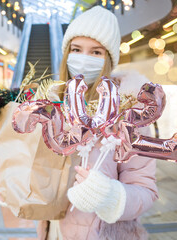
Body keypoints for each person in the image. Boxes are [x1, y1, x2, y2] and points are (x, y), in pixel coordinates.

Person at [37, 6, 158, 240]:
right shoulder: (54, 105)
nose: (83, 59)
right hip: (53, 230)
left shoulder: (130, 113)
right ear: (66, 53)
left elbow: (146, 191)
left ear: (108, 59)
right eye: (76, 49)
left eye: (95, 52)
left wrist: (109, 195)